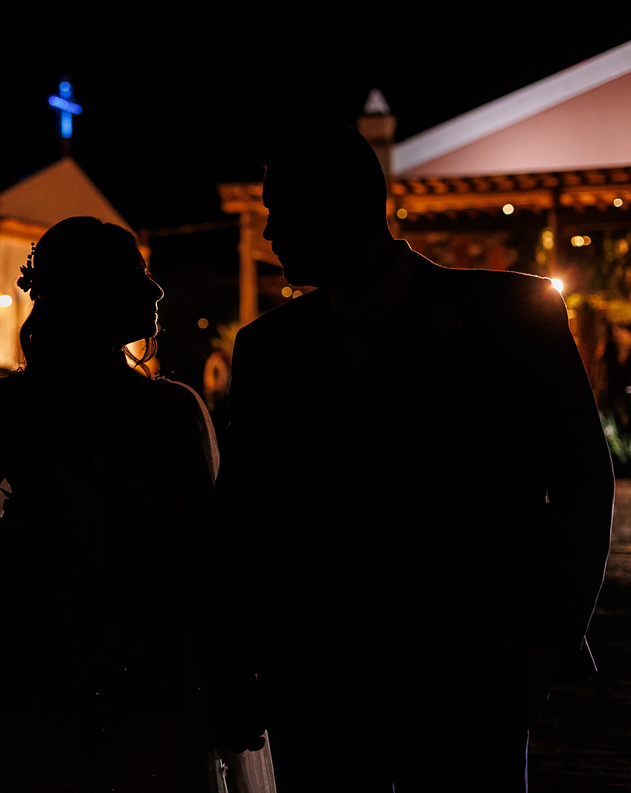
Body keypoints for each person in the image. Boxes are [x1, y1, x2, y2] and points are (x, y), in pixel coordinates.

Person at [217, 126, 614, 791]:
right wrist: (232, 657)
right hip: (318, 683)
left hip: (472, 672)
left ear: (346, 206)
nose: (269, 233)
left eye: (283, 209)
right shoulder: (269, 349)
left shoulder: (509, 314)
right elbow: (244, 512)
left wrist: (546, 645)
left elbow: (582, 483)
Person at [0, 217, 275, 792]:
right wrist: (6, 605)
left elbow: (211, 556)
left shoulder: (175, 412)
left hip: (159, 683)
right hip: (49, 692)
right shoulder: (14, 408)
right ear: (90, 292)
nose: (156, 290)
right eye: (136, 275)